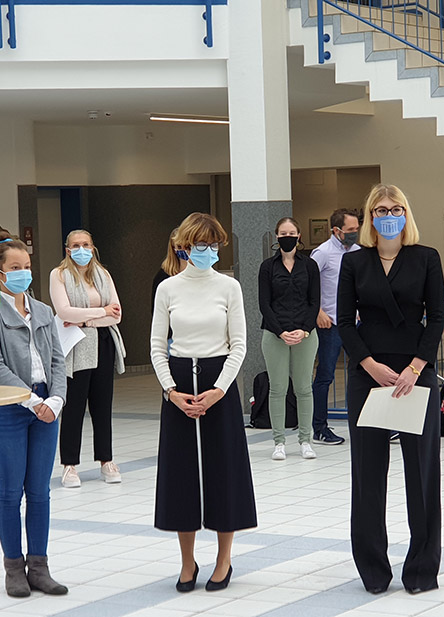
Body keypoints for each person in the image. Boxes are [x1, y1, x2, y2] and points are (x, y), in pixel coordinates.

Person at [337, 184, 444, 594]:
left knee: (422, 474)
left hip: (415, 374)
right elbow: (345, 322)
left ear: (405, 214)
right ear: (369, 217)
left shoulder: (426, 258)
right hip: (369, 375)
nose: (388, 214)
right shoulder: (355, 263)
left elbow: (435, 318)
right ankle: (373, 570)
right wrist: (369, 365)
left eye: (396, 208)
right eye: (380, 209)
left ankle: (421, 569)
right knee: (367, 476)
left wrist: (415, 367)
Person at [150, 212, 256, 593]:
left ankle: (224, 559)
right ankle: (186, 561)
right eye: (200, 245)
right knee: (181, 475)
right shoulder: (168, 289)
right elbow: (157, 346)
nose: (207, 251)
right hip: (179, 384)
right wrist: (170, 391)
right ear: (184, 246)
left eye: (214, 245)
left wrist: (221, 388)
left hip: (218, 385)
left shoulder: (229, 287)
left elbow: (240, 344)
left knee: (223, 471)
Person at [0, 231, 69, 598]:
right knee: (11, 492)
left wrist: (56, 401)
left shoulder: (43, 311)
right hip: (11, 408)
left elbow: (58, 361)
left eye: (27, 267)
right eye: (15, 268)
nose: (23, 274)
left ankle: (40, 566)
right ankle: (14, 568)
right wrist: (31, 401)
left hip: (48, 407)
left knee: (40, 492)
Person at [50, 229, 127, 489]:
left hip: (104, 343)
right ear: (67, 249)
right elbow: (63, 312)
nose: (81, 249)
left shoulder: (103, 275)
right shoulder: (59, 275)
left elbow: (116, 314)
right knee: (73, 407)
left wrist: (84, 318)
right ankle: (69, 465)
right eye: (75, 245)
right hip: (77, 346)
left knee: (102, 406)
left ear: (93, 248)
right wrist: (100, 312)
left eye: (86, 244)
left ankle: (106, 460)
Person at [259, 217, 321, 460]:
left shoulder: (310, 265)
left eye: (292, 232)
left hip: (306, 333)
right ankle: (279, 442)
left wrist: (304, 329)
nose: (287, 236)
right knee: (278, 388)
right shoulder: (267, 267)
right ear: (277, 237)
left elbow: (315, 301)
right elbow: (264, 303)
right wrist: (280, 331)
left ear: (298, 235)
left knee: (304, 388)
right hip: (275, 334)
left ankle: (305, 440)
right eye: (283, 233)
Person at [310, 208, 361, 445]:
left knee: (364, 373)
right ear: (336, 231)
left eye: (356, 230)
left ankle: (370, 423)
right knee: (325, 376)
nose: (354, 234)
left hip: (355, 323)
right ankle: (319, 427)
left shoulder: (359, 253)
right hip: (330, 323)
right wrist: (317, 312)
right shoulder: (322, 253)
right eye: (350, 230)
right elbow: (306, 285)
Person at [152, 227, 188, 313]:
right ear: (173, 248)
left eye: (187, 246)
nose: (184, 250)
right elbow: (157, 310)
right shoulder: (163, 276)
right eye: (179, 246)